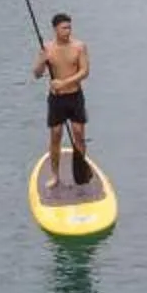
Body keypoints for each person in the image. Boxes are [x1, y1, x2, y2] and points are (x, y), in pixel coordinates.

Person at [33, 11, 90, 189]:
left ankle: (80, 173)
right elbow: (36, 74)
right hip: (57, 99)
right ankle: (55, 176)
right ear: (55, 29)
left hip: (74, 96)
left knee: (78, 133)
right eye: (64, 28)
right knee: (56, 135)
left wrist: (64, 82)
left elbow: (84, 72)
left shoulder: (79, 46)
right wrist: (42, 61)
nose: (68, 31)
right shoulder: (47, 48)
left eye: (69, 27)